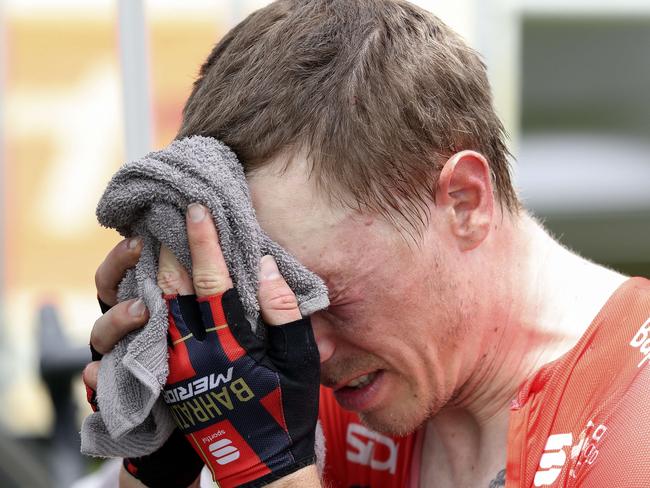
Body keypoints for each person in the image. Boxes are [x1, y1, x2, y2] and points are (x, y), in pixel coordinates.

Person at [83, 0, 650, 486]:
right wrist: (161, 467)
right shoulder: (312, 393)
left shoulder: (632, 418)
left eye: (327, 295)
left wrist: (268, 472)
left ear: (464, 202)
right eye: (272, 312)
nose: (313, 349)